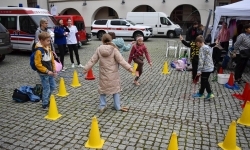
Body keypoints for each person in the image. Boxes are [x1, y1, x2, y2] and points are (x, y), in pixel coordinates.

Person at [83, 34, 133, 112]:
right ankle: (117, 106)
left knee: (102, 89)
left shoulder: (99, 49)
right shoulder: (114, 49)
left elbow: (93, 60)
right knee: (115, 90)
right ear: (111, 40)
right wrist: (129, 68)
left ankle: (102, 106)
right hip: (113, 74)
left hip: (103, 73)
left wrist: (86, 68)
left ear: (102, 40)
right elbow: (121, 60)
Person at [34, 32, 57, 110]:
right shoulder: (39, 51)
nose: (49, 42)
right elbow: (38, 64)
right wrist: (47, 71)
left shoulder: (48, 48)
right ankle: (45, 103)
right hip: (44, 74)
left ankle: (46, 98)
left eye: (49, 40)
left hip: (50, 72)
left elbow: (52, 60)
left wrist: (54, 69)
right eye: (47, 41)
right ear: (41, 40)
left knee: (53, 86)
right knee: (46, 88)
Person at [192, 35, 214, 100]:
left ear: (198, 42)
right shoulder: (208, 47)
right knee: (204, 81)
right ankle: (201, 93)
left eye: (196, 44)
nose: (197, 45)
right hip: (210, 67)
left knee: (205, 81)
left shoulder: (202, 48)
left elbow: (201, 60)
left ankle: (210, 93)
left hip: (206, 68)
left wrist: (199, 71)